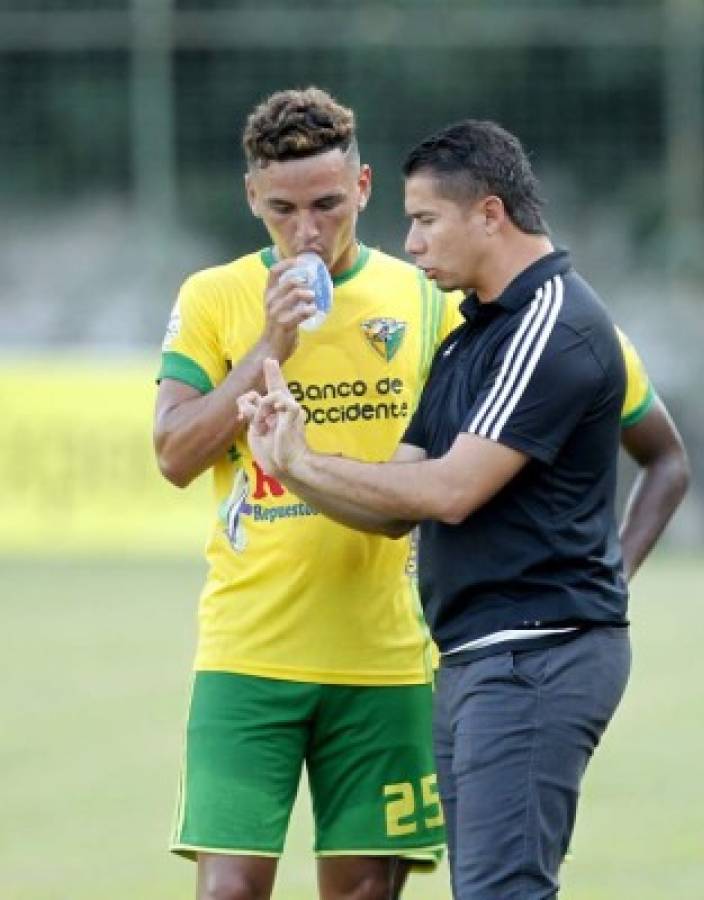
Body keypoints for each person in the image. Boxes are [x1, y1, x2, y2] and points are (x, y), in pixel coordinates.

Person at [237, 119, 689, 899]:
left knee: (499, 892)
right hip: (480, 658)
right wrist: (289, 463)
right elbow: (392, 507)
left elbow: (449, 492)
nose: (409, 245)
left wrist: (606, 582)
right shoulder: (469, 336)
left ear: (488, 214)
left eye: (423, 221)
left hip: (533, 656)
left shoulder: (551, 324)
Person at [153, 88, 464, 900]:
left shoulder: (426, 298)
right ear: (252, 196)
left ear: (361, 189)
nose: (307, 231)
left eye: (327, 204)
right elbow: (175, 454)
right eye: (283, 209)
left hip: (385, 656)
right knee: (229, 892)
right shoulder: (213, 297)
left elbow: (445, 469)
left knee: (364, 892)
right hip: (247, 650)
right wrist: (270, 345)